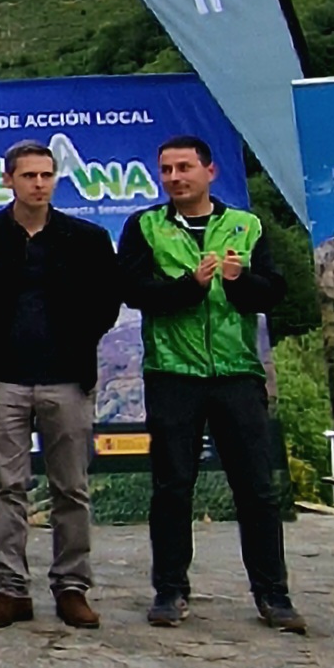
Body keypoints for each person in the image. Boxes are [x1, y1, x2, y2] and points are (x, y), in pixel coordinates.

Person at [118, 135, 303, 635]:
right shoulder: (145, 226)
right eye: (166, 169)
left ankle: (273, 595)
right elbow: (134, 292)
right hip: (173, 373)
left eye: (184, 167)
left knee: (257, 491)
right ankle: (170, 590)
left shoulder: (246, 225)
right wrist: (189, 287)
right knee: (173, 487)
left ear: (209, 172)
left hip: (238, 372)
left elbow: (273, 293)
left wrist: (240, 281)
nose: (175, 177)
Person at [0, 141, 127, 629]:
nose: (39, 184)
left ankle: (72, 586)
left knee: (71, 487)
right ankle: (10, 589)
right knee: (7, 487)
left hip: (66, 380)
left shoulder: (85, 238)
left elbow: (107, 301)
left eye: (47, 175)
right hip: (3, 378)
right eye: (29, 176)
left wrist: (75, 339)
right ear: (8, 180)